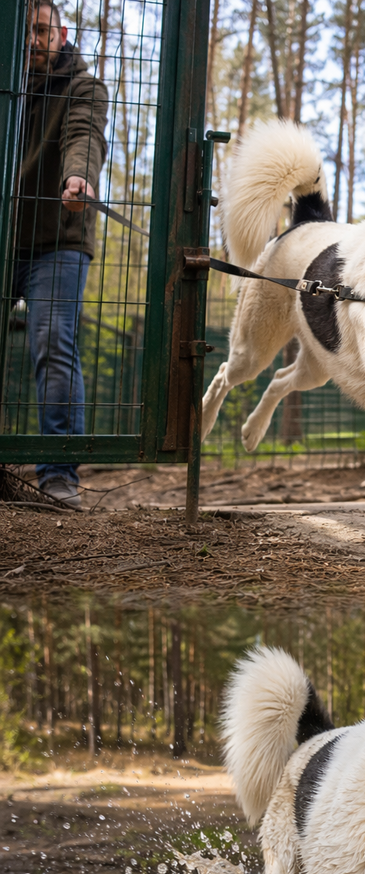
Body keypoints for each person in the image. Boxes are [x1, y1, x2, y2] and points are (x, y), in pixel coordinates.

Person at [14, 1, 108, 509]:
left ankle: (57, 474)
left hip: (58, 239)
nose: (33, 39)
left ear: (61, 32)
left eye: (42, 30)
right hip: (4, 238)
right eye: (26, 30)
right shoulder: (10, 82)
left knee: (52, 343)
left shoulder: (83, 85)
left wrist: (81, 175)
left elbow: (84, 135)